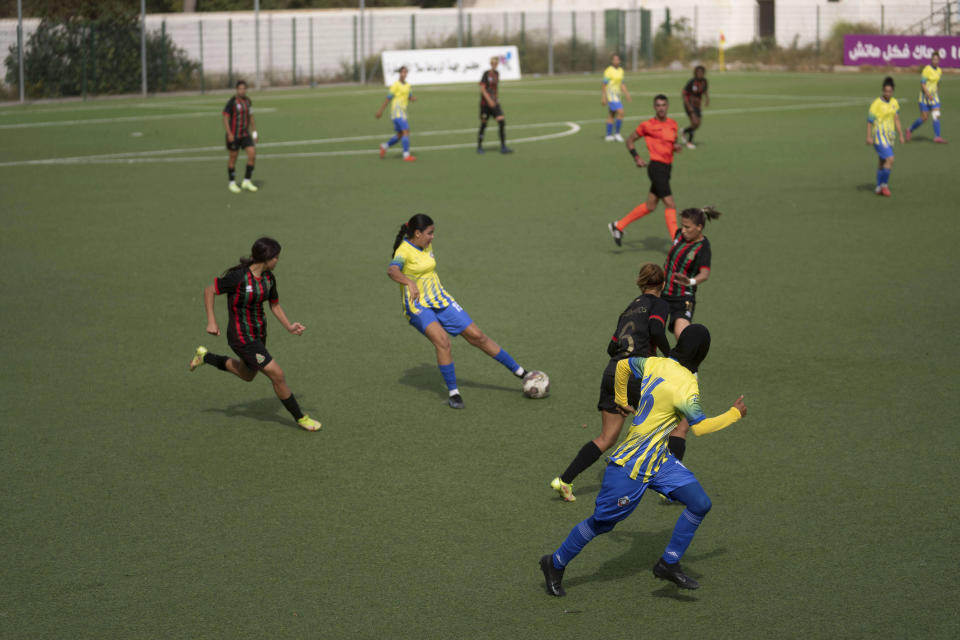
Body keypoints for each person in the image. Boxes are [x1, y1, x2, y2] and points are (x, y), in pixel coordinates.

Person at [539, 325, 747, 596]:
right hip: (631, 464)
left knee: (700, 503)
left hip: (660, 461)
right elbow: (701, 427)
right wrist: (735, 413)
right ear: (701, 353)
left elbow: (623, 366)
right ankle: (554, 563)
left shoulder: (654, 363)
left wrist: (623, 400)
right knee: (602, 523)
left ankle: (668, 563)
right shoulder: (686, 385)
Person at [550, 263, 671, 503]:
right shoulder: (659, 304)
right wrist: (671, 357)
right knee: (669, 425)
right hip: (637, 372)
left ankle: (564, 481)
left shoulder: (629, 308)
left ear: (641, 282)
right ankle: (666, 486)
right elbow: (657, 330)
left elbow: (610, 346)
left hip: (613, 370)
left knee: (606, 437)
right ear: (663, 284)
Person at [387, 214, 533, 409]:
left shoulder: (425, 245)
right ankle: (453, 393)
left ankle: (522, 373)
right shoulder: (404, 251)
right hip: (418, 306)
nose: (433, 237)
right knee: (443, 342)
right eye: (430, 233)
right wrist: (409, 282)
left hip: (441, 299)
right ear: (417, 233)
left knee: (477, 336)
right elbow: (392, 270)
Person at [188, 237, 321, 432]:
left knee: (247, 374)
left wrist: (289, 327)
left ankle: (205, 357)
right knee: (277, 374)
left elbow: (274, 304)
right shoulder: (238, 278)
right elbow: (209, 291)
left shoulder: (268, 278)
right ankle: (301, 418)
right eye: (276, 257)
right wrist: (212, 321)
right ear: (267, 258)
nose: (278, 261)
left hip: (259, 334)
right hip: (242, 338)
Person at [608, 94, 683, 246]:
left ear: (667, 106)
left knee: (650, 206)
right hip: (656, 168)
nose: (661, 108)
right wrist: (636, 157)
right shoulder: (647, 125)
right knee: (670, 204)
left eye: (663, 105)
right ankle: (677, 241)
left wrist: (675, 147)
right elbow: (629, 141)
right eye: (658, 105)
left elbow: (672, 143)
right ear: (654, 107)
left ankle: (618, 226)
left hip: (667, 168)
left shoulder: (673, 124)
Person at [866, 76, 905, 198]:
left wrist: (901, 134)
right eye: (885, 91)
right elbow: (869, 121)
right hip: (878, 136)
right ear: (882, 90)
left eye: (890, 91)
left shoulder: (894, 103)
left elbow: (896, 119)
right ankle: (884, 186)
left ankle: (878, 187)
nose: (887, 93)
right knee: (890, 159)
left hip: (889, 136)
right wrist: (868, 136)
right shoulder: (876, 104)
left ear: (893, 91)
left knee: (882, 161)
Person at [223, 80, 258, 194]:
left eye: (244, 89)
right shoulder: (232, 102)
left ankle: (246, 181)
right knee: (233, 158)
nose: (242, 91)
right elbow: (225, 118)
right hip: (234, 135)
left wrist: (254, 132)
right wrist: (229, 134)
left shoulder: (248, 101)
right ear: (237, 90)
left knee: (252, 154)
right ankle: (232, 183)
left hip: (245, 134)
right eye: (240, 89)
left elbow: (251, 116)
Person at [377, 66, 417, 162]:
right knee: (406, 131)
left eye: (406, 72)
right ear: (399, 73)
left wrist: (412, 99)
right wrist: (380, 111)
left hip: (403, 112)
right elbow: (388, 98)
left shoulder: (408, 86)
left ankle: (384, 146)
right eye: (403, 72)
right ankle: (406, 155)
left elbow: (409, 96)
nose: (404, 74)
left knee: (400, 135)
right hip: (397, 112)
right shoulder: (395, 85)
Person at [907, 53, 946, 144]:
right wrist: (928, 94)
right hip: (925, 97)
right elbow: (922, 83)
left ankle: (937, 136)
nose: (935, 61)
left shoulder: (939, 71)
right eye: (934, 59)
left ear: (939, 60)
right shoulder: (926, 70)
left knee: (936, 114)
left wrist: (936, 92)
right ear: (931, 60)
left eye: (937, 59)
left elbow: (937, 83)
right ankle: (910, 129)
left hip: (934, 97)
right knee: (924, 118)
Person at [478, 56, 512, 154]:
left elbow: (495, 88)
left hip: (494, 103)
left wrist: (496, 99)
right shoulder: (486, 74)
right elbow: (483, 89)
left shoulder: (497, 74)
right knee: (484, 124)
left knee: (501, 121)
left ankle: (503, 146)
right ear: (490, 63)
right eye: (493, 63)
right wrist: (489, 101)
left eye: (496, 63)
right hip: (485, 104)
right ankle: (479, 146)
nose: (495, 65)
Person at [602, 54, 631, 142]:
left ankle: (608, 135)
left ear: (619, 61)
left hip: (617, 95)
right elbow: (604, 84)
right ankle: (617, 134)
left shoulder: (621, 70)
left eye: (618, 59)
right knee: (621, 112)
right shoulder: (608, 71)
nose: (616, 61)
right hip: (611, 95)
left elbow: (622, 83)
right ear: (612, 61)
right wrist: (604, 97)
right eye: (614, 60)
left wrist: (627, 94)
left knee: (611, 114)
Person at [681, 65, 709, 149]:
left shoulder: (704, 81)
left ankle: (684, 131)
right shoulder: (692, 82)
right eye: (698, 72)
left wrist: (707, 99)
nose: (700, 74)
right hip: (689, 104)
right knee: (694, 122)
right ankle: (689, 142)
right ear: (695, 73)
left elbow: (705, 90)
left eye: (701, 72)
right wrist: (688, 105)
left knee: (697, 125)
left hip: (697, 105)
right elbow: (684, 93)